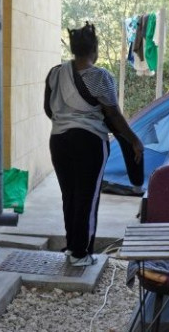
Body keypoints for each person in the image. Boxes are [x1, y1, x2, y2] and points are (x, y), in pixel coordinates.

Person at [44, 22, 144, 267]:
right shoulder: (100, 76)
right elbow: (114, 115)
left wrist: (66, 120)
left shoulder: (55, 73)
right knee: (87, 198)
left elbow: (48, 109)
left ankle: (72, 247)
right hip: (89, 142)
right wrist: (134, 140)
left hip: (58, 141)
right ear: (94, 50)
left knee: (69, 195)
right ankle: (81, 254)